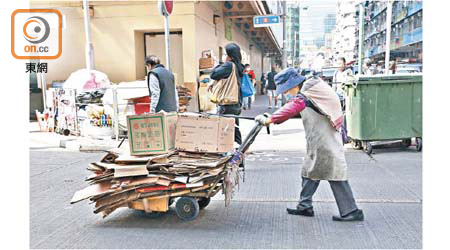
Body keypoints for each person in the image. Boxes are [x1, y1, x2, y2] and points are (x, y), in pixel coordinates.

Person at [255, 68, 364, 222]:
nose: (286, 93)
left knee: (335, 173)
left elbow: (294, 106)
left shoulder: (307, 91)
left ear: (293, 84)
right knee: (309, 170)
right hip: (320, 136)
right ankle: (304, 206)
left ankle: (351, 211)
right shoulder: (311, 85)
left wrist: (271, 119)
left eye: (287, 89)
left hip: (326, 137)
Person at [210, 43, 244, 146]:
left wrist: (219, 63)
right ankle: (239, 157)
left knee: (225, 134)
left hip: (227, 104)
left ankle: (234, 157)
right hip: (236, 104)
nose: (224, 56)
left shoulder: (229, 65)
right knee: (234, 132)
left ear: (230, 56)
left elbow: (213, 74)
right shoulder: (239, 66)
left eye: (225, 54)